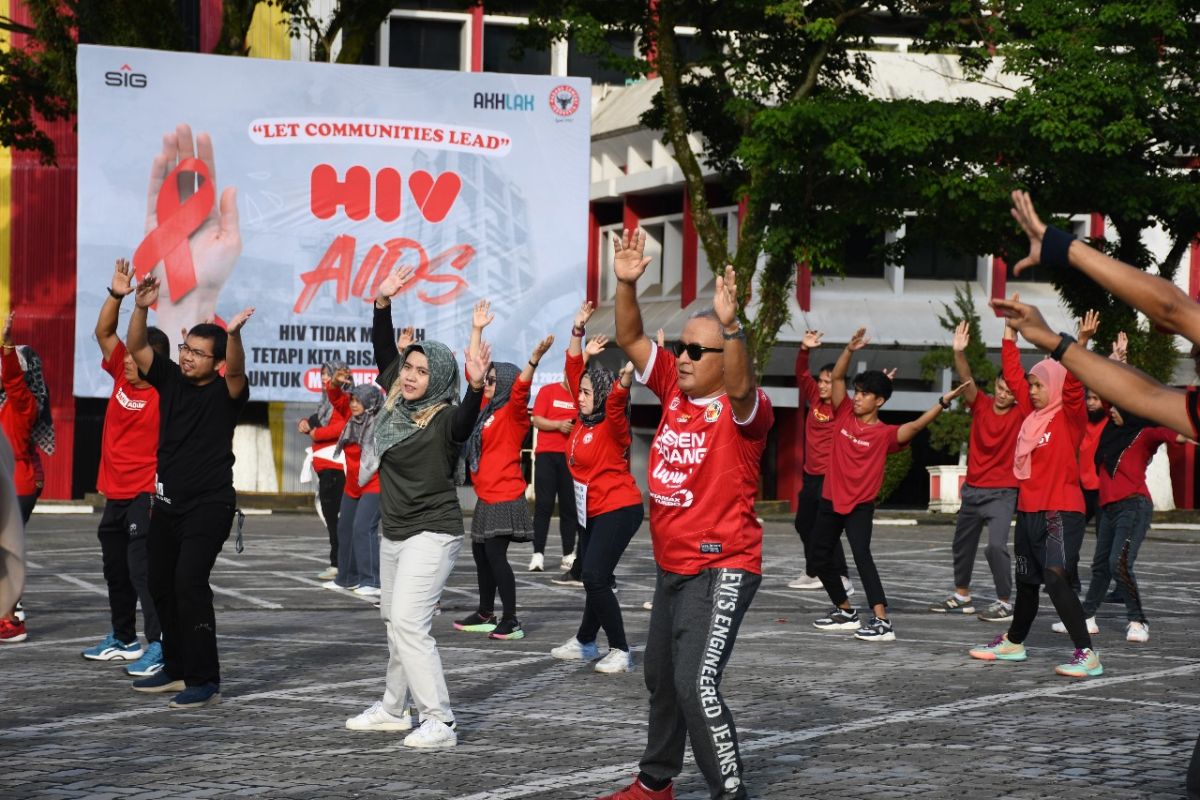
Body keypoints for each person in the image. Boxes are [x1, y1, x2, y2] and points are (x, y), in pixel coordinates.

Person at [598, 229, 772, 800]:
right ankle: (655, 783)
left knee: (696, 683)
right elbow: (629, 336)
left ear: (724, 358)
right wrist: (625, 283)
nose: (685, 358)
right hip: (673, 565)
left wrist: (734, 326)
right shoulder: (674, 386)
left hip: (724, 565)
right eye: (683, 348)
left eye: (700, 351)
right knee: (662, 681)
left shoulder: (746, 411)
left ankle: (730, 790)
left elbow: (745, 387)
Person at [343, 266, 488, 749]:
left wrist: (475, 385)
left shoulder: (445, 418)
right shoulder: (395, 402)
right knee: (394, 623)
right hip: (396, 532)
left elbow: (468, 417)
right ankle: (391, 708)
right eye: (409, 367)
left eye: (423, 371)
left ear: (440, 378)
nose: (409, 375)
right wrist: (381, 302)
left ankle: (440, 721)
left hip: (434, 532)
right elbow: (384, 348)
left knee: (409, 622)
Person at [125, 274, 253, 709]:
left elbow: (236, 369)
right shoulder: (170, 379)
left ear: (215, 362)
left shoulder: (227, 392)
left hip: (210, 505)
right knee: (159, 583)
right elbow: (138, 347)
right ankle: (176, 669)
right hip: (166, 504)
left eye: (199, 353)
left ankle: (204, 678)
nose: (188, 358)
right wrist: (141, 307)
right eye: (186, 349)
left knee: (189, 582)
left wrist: (232, 336)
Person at [811, 328, 971, 642]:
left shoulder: (885, 435)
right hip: (830, 498)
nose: (857, 398)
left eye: (864, 394)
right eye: (856, 392)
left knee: (861, 555)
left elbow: (915, 425)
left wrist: (942, 402)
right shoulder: (843, 413)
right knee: (817, 558)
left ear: (879, 400)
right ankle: (845, 611)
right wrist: (849, 349)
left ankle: (882, 621)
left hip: (859, 504)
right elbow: (839, 378)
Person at [967, 313, 1101, 677]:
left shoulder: (1069, 416)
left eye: (1039, 385)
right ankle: (1014, 641)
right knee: (1027, 582)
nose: (1032, 391)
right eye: (1031, 386)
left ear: (1053, 386)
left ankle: (1087, 654)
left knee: (1056, 577)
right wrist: (1009, 333)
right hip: (1027, 512)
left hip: (1061, 511)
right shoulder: (1031, 416)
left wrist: (1081, 344)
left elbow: (1074, 384)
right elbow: (1012, 374)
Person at [80, 258, 168, 676]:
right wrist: (118, 294)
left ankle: (161, 643)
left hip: (144, 494)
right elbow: (103, 332)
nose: (127, 361)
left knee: (141, 569)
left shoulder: (165, 394)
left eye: (137, 357)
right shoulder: (120, 371)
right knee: (115, 569)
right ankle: (123, 638)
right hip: (113, 492)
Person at [549, 301, 644, 674]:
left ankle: (620, 649)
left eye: (588, 392)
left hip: (619, 509)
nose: (581, 396)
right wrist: (577, 331)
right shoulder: (583, 417)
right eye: (581, 392)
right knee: (592, 573)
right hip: (591, 508)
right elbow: (574, 370)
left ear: (601, 395)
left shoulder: (611, 425)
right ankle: (586, 641)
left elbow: (618, 405)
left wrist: (622, 382)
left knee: (594, 576)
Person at [454, 299, 553, 641]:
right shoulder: (486, 408)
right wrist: (477, 330)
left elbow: (522, 387)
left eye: (497, 380)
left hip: (505, 495)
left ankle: (511, 620)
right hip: (486, 496)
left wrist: (533, 360)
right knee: (481, 554)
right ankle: (485, 612)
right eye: (491, 379)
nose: (491, 383)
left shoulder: (513, 413)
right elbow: (474, 374)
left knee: (496, 556)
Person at [929, 320, 1024, 623]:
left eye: (1009, 391)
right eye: (999, 387)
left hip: (1003, 492)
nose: (1002, 394)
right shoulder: (981, 405)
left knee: (996, 546)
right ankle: (962, 596)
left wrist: (1011, 338)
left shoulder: (1022, 413)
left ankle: (1005, 601)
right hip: (973, 490)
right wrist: (958, 352)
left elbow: (1020, 380)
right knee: (962, 544)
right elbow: (966, 377)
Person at [0, 312, 53, 641]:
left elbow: (13, 381)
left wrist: (6, 345)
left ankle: (9, 620)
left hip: (18, 485)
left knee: (7, 551)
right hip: (12, 483)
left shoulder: (23, 404)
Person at [788, 330, 853, 596]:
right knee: (804, 524)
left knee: (825, 527)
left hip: (829, 477)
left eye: (829, 381)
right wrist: (804, 349)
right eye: (822, 381)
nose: (824, 385)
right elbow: (802, 374)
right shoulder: (815, 398)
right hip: (810, 475)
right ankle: (814, 570)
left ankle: (841, 575)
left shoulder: (842, 407)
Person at [329, 380, 385, 598]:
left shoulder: (381, 423)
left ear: (370, 402)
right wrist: (334, 384)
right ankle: (346, 577)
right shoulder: (351, 421)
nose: (353, 404)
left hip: (374, 484)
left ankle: (371, 580)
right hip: (352, 485)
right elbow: (336, 398)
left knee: (363, 528)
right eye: (352, 399)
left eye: (358, 400)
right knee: (344, 528)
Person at [300, 360, 351, 582]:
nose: (324, 378)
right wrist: (305, 424)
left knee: (336, 517)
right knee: (330, 516)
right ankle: (338, 562)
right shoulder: (324, 402)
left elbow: (345, 426)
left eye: (327, 375)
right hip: (324, 467)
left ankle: (340, 563)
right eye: (322, 374)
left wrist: (317, 434)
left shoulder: (346, 399)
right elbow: (312, 421)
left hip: (336, 466)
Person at [529, 356, 580, 573]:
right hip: (547, 455)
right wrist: (559, 425)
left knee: (569, 508)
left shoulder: (581, 397)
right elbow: (537, 420)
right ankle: (538, 554)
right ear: (564, 373)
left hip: (571, 458)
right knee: (544, 505)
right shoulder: (547, 391)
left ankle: (568, 554)